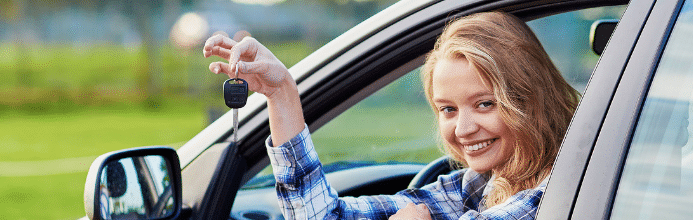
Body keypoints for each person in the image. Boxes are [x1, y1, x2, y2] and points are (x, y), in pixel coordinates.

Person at [202, 11, 580, 220]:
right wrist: (281, 93)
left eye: (485, 104)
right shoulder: (477, 185)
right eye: (447, 109)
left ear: (529, 100)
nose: (463, 129)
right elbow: (321, 217)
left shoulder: (552, 196)